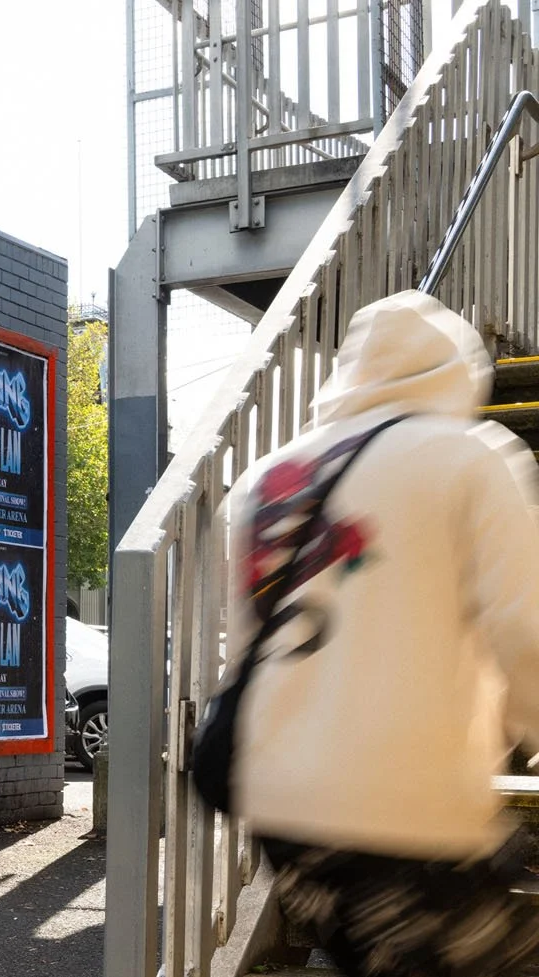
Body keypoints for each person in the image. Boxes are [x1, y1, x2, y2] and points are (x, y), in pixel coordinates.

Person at [229, 290, 539, 977]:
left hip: (283, 813)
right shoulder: (468, 456)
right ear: (457, 371)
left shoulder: (265, 480)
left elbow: (245, 644)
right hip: (408, 807)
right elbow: (525, 633)